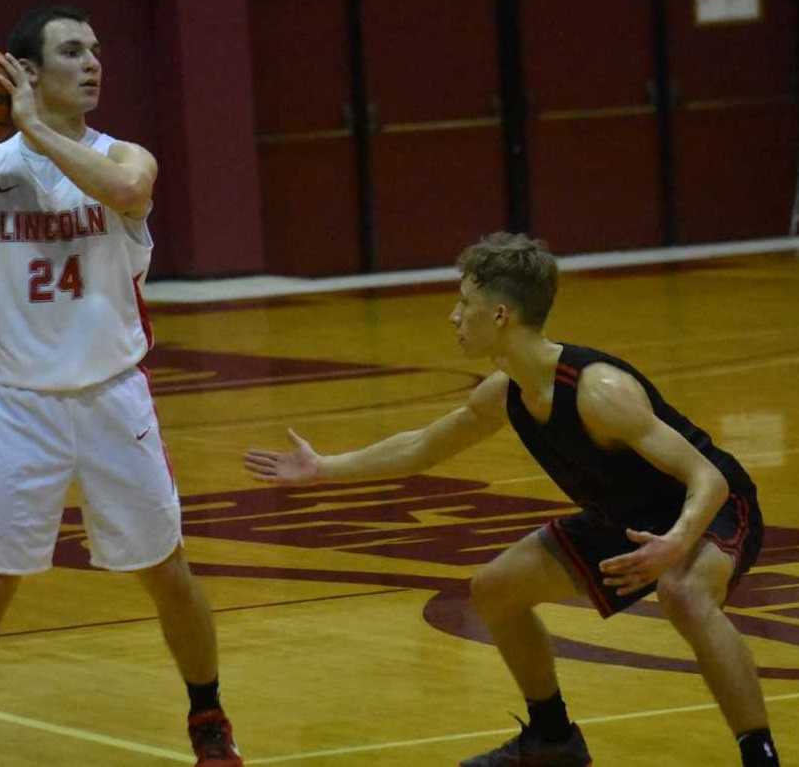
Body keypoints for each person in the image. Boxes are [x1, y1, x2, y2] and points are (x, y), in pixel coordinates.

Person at [0, 4, 243, 767]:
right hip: (22, 406)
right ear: (26, 72)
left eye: (96, 50)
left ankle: (208, 717)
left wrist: (34, 129)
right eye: (73, 52)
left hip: (112, 395)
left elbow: (127, 196)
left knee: (165, 569)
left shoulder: (127, 157)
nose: (94, 62)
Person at [244, 232, 779, 767]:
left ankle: (759, 755)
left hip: (714, 507)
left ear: (500, 315)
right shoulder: (507, 391)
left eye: (464, 304)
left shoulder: (599, 392)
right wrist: (322, 468)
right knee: (495, 589)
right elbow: (425, 445)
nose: (454, 316)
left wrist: (676, 542)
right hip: (627, 518)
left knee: (684, 595)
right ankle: (552, 739)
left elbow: (705, 476)